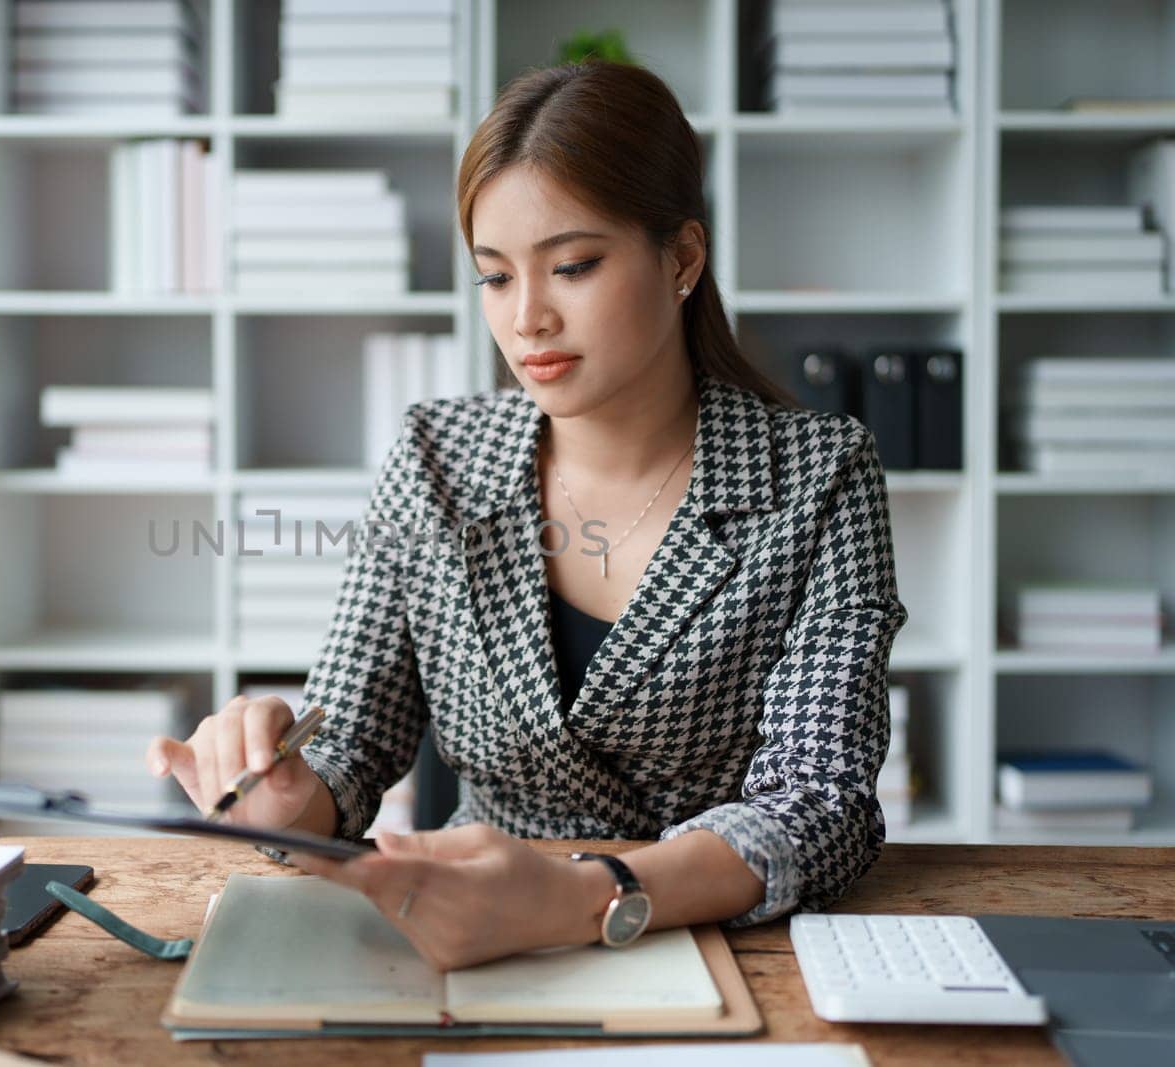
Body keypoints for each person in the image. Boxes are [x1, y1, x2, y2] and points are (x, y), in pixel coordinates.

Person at [147, 60, 907, 972]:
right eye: (495, 277)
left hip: (715, 935)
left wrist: (586, 896)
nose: (527, 319)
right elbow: (349, 743)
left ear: (682, 260)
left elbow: (820, 802)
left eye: (574, 266)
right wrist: (285, 797)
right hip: (467, 926)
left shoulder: (819, 473)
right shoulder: (438, 459)